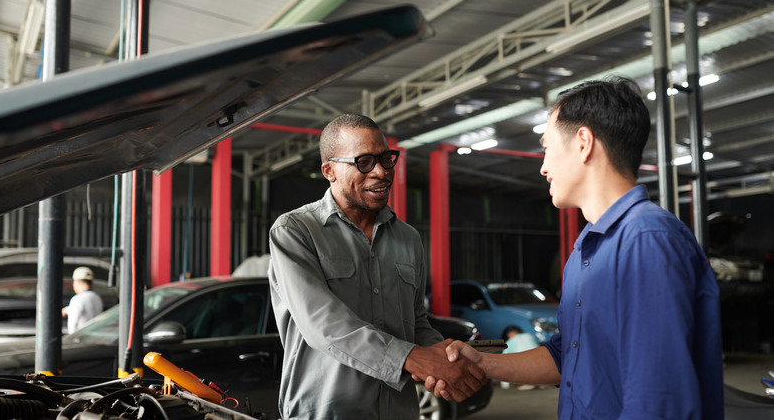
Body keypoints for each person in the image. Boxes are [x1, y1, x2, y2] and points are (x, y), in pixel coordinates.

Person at [427, 77, 724, 419]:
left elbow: (658, 399)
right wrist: (482, 362)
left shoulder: (646, 241)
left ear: (583, 143)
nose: (543, 167)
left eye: (547, 147)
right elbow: (567, 356)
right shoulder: (587, 249)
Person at [267, 113, 485, 419]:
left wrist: (445, 359)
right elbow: (323, 325)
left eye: (386, 159)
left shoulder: (408, 238)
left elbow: (417, 322)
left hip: (398, 411)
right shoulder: (295, 231)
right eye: (364, 162)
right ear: (329, 170)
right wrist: (416, 359)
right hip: (326, 412)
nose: (381, 172)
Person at [62, 266, 104, 333]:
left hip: (81, 339)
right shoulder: (97, 297)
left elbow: (72, 327)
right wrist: (67, 310)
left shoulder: (77, 299)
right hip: (95, 337)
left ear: (77, 282)